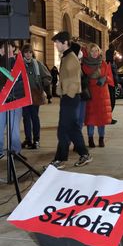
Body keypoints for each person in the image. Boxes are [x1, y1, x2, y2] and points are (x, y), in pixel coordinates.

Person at [44, 31, 92, 170]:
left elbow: (75, 80)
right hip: (68, 98)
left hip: (71, 98)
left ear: (65, 43)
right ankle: (84, 154)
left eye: (57, 42)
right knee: (71, 128)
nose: (56, 45)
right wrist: (61, 91)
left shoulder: (71, 58)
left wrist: (66, 94)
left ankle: (60, 159)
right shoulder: (66, 57)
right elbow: (65, 79)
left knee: (63, 130)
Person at [82, 43, 114, 148]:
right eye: (92, 51)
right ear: (88, 52)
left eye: (96, 51)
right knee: (90, 118)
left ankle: (101, 139)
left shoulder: (104, 63)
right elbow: (83, 80)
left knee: (101, 119)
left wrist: (105, 79)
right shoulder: (84, 65)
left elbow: (110, 78)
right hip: (90, 94)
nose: (95, 53)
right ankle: (90, 139)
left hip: (102, 94)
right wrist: (92, 81)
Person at [21, 44, 52, 149]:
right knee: (26, 118)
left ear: (32, 53)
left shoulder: (37, 64)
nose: (28, 54)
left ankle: (36, 140)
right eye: (26, 52)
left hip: (35, 94)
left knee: (34, 117)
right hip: (24, 94)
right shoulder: (20, 65)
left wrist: (43, 83)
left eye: (30, 52)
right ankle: (28, 139)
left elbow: (48, 76)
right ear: (23, 53)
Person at [0, 41, 24, 158]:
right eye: (4, 49)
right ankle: (0, 151)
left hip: (15, 101)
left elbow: (20, 81)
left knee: (14, 130)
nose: (7, 51)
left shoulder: (18, 63)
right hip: (1, 101)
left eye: (10, 49)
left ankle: (16, 152)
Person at [106, 43, 118, 124]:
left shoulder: (112, 63)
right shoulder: (109, 63)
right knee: (111, 102)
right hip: (110, 85)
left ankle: (109, 117)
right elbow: (110, 74)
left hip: (112, 84)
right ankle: (108, 118)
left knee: (111, 102)